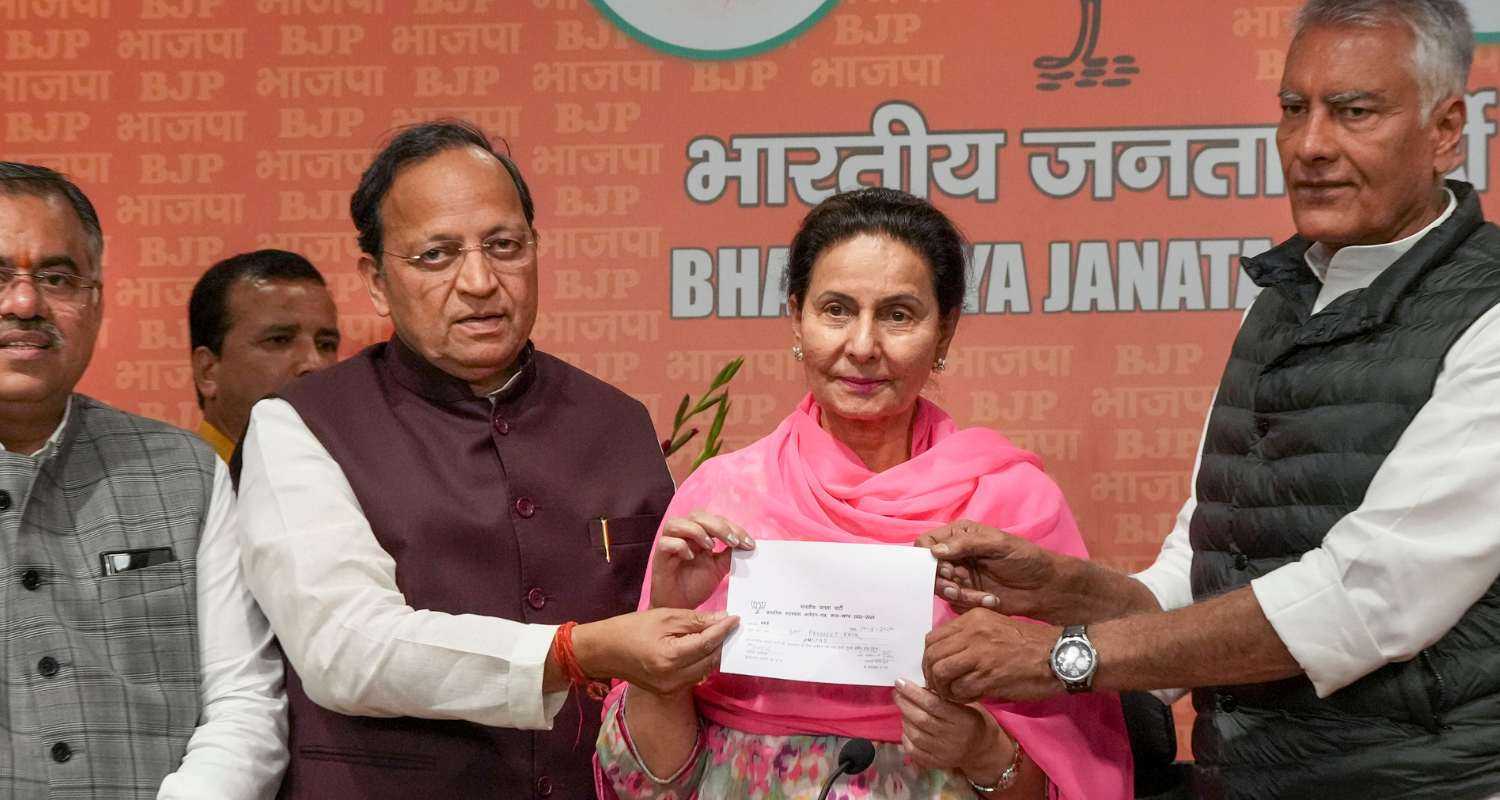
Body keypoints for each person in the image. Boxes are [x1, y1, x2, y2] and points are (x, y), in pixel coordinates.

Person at [918, 2, 1500, 798]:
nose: (1312, 145)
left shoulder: (1491, 314)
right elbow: (1200, 581)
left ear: (1445, 129)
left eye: (1354, 112)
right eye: (1294, 110)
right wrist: (1061, 591)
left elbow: (1364, 599)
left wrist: (1065, 657)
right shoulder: (1283, 302)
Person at [232, 121, 738, 800]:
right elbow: (347, 649)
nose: (479, 281)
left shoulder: (617, 421)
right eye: (436, 255)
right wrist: (573, 653)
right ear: (377, 282)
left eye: (504, 247)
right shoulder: (301, 425)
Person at [596, 188, 1133, 799]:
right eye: (836, 310)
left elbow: (1073, 774)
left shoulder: (1011, 508)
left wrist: (981, 748)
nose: (863, 345)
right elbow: (652, 781)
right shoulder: (723, 498)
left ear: (946, 331)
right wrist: (666, 663)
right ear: (796, 318)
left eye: (899, 315)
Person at [0, 162, 286, 798]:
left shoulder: (182, 472)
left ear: (96, 303)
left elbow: (243, 704)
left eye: (56, 277)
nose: (24, 303)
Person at [188, 249, 340, 461]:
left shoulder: (351, 485)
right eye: (279, 340)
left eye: (326, 345)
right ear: (208, 371)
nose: (314, 363)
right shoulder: (171, 489)